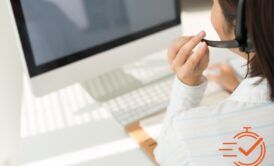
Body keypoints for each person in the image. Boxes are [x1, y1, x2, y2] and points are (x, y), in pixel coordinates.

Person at [154, 0, 274, 165]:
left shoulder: (191, 135)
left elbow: (166, 154)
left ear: (240, 27)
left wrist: (187, 84)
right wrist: (236, 87)